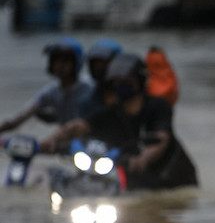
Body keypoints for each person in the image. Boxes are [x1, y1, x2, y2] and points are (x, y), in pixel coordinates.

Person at [40, 52, 198, 190]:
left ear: (140, 81)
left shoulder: (158, 107)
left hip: (170, 177)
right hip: (133, 178)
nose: (122, 85)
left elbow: (161, 139)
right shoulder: (111, 112)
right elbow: (80, 126)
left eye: (127, 81)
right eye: (117, 82)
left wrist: (143, 159)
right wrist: (53, 139)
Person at [0, 37, 93, 134]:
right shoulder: (51, 92)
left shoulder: (89, 87)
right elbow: (21, 116)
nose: (60, 65)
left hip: (92, 138)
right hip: (65, 139)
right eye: (56, 61)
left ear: (76, 63)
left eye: (65, 61)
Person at [78, 38, 123, 117]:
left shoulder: (131, 98)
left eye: (104, 64)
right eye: (95, 64)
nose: (98, 68)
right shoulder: (87, 102)